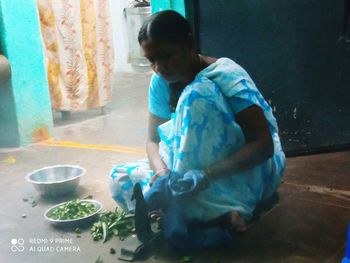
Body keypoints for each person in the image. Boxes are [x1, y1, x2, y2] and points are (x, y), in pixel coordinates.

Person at [109, 10, 286, 234]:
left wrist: (205, 176)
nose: (159, 67)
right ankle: (208, 212)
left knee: (196, 95)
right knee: (119, 179)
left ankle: (208, 210)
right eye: (152, 60)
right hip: (188, 168)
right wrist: (162, 174)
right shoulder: (160, 82)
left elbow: (263, 146)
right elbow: (153, 141)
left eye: (166, 55)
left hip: (243, 169)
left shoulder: (225, 75)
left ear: (189, 44)